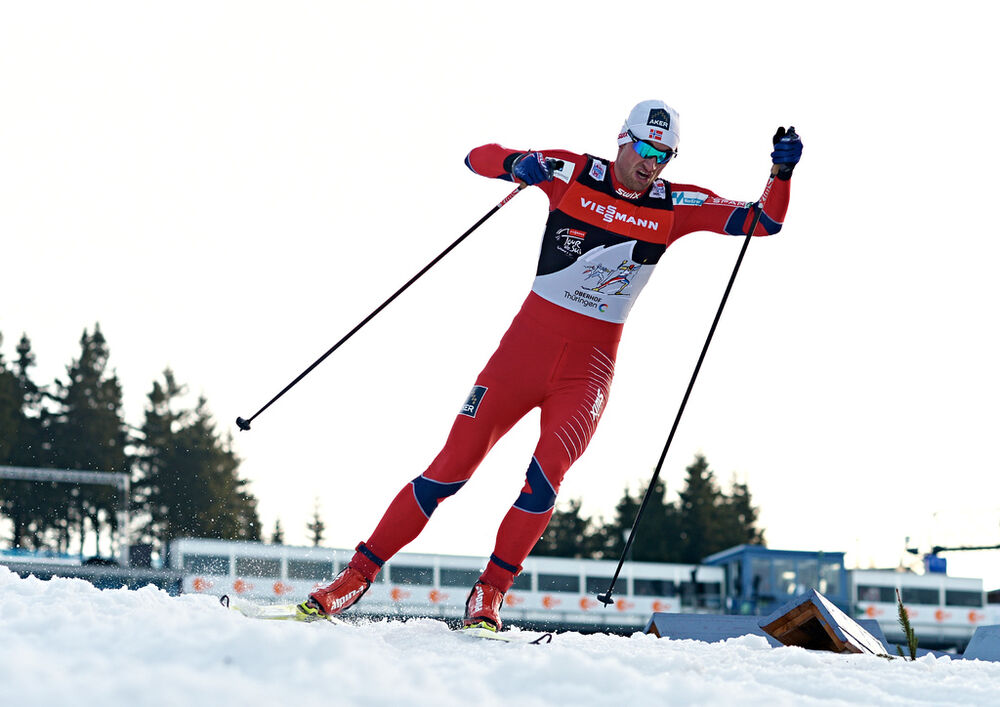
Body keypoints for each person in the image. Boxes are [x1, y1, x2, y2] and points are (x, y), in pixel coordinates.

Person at [298, 100, 803, 630]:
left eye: (665, 154)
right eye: (647, 147)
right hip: (523, 350)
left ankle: (490, 594)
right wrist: (518, 165)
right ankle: (354, 577)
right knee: (450, 467)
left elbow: (763, 221)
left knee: (546, 476)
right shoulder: (573, 171)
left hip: (587, 368)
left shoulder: (675, 204)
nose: (652, 161)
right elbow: (476, 157)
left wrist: (781, 173)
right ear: (622, 138)